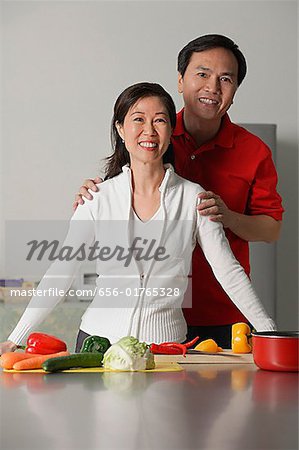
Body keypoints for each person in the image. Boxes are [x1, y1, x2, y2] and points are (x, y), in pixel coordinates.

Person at [0, 82, 276, 355]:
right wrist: (15, 338)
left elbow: (228, 271)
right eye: (138, 120)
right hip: (99, 346)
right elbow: (62, 272)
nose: (149, 131)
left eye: (159, 120)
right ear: (120, 129)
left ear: (171, 131)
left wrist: (269, 332)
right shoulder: (97, 198)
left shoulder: (194, 198)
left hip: (166, 350)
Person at [73, 35, 284, 347]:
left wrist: (227, 217)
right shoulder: (152, 133)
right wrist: (92, 196)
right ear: (180, 80)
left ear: (235, 90)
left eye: (225, 79)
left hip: (224, 313)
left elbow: (271, 229)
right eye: (202, 74)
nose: (212, 87)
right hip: (156, 317)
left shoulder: (255, 152)